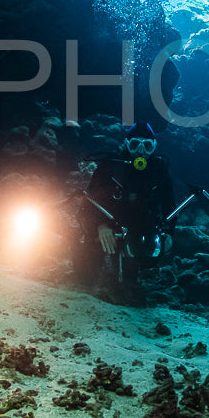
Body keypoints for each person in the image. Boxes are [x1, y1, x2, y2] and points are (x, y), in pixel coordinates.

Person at [74, 122, 176, 302]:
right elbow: (86, 205)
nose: (141, 151)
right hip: (107, 227)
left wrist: (168, 233)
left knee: (137, 270)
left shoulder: (160, 172)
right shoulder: (109, 168)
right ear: (127, 144)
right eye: (136, 144)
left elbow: (171, 208)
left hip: (139, 231)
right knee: (84, 275)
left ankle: (130, 273)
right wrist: (100, 226)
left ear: (154, 147)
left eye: (148, 145)